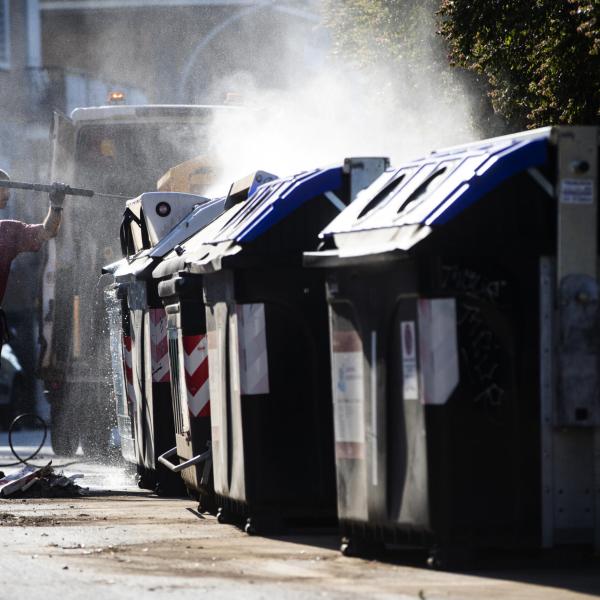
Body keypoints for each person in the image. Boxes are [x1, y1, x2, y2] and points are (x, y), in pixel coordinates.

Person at [0, 169, 66, 350]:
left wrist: (56, 204)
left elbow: (48, 231)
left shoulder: (7, 232)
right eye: (4, 187)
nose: (9, 193)